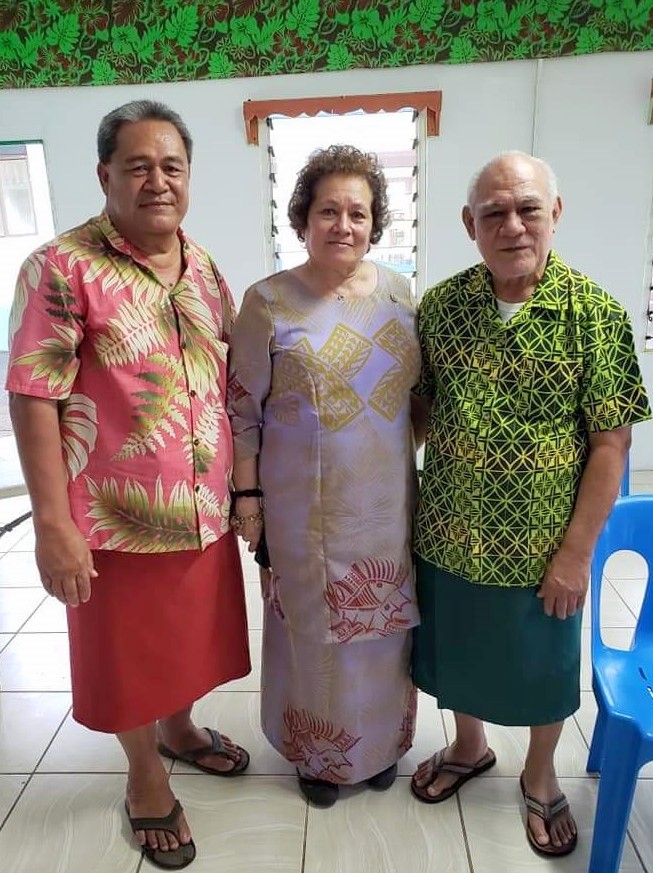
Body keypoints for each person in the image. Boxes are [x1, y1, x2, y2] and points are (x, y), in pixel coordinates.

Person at [6, 100, 251, 870]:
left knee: (186, 642)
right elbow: (33, 393)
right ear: (104, 173)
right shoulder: (61, 265)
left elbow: (232, 381)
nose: (157, 181)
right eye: (137, 166)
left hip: (202, 506)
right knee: (129, 656)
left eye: (171, 165)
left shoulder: (205, 266)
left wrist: (245, 491)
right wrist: (53, 523)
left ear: (189, 176)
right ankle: (145, 777)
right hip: (111, 517)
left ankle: (179, 730)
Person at [410, 150, 651, 857]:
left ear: (555, 214)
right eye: (493, 212)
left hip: (543, 542)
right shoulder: (443, 306)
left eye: (527, 209)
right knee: (453, 654)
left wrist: (576, 554)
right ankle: (467, 745)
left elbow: (610, 444)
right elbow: (419, 409)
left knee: (542, 664)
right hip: (448, 528)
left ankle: (540, 774)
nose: (511, 225)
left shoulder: (595, 316)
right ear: (468, 224)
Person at [228, 145, 421, 808]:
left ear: (376, 222)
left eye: (358, 212)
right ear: (302, 219)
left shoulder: (400, 293)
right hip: (299, 509)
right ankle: (317, 756)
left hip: (386, 502)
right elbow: (240, 409)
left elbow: (416, 397)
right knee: (311, 635)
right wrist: (247, 499)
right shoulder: (268, 301)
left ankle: (379, 746)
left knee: (381, 633)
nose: (343, 223)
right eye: (328, 210)